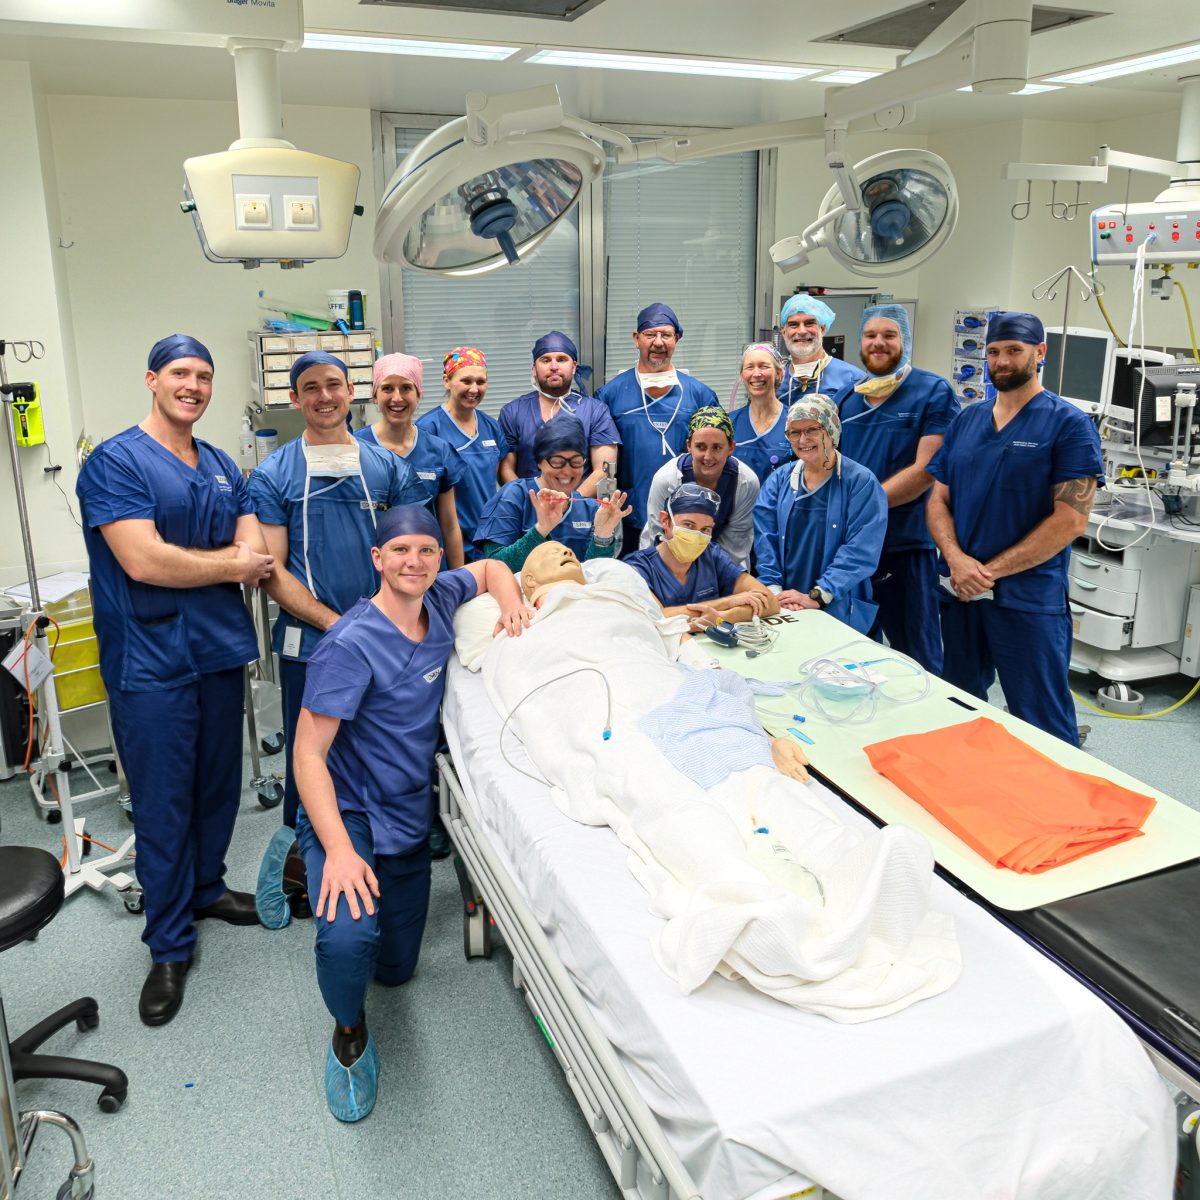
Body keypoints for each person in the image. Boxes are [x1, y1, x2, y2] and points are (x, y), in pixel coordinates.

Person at [475, 541, 959, 1021]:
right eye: (550, 552)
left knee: (753, 777)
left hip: (670, 695)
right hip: (603, 712)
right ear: (529, 582)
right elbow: (518, 680)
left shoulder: (622, 599)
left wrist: (764, 731)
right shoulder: (516, 625)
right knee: (666, 796)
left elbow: (686, 653)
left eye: (571, 551)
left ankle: (850, 862)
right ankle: (748, 901)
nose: (566, 552)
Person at [270, 505, 531, 1121]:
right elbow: (307, 755)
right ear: (377, 560)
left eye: (427, 550)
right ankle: (348, 1032)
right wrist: (337, 849)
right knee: (347, 939)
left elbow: (492, 567)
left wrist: (514, 601)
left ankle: (303, 858)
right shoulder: (350, 646)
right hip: (349, 809)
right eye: (401, 551)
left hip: (407, 811)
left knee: (396, 970)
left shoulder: (439, 598)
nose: (415, 562)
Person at [76, 334, 273, 1026]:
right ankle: (167, 943)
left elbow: (254, 552)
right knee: (163, 802)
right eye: (181, 374)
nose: (194, 386)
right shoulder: (115, 463)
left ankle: (207, 888)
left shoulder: (220, 464)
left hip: (215, 652)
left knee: (218, 784)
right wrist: (225, 565)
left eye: (205, 376)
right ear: (153, 379)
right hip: (150, 661)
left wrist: (218, 559)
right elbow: (144, 562)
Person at [248, 351, 423, 834]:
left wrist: (393, 624)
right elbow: (272, 570)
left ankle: (385, 846)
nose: (324, 397)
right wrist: (336, 624)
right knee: (311, 757)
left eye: (333, 385)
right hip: (311, 642)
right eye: (310, 388)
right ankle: (302, 863)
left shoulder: (385, 468)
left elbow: (412, 554)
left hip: (386, 637)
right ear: (294, 398)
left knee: (384, 748)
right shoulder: (274, 475)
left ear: (351, 392)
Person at [926, 311, 1102, 746]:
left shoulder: (1068, 424)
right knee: (958, 703)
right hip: (960, 593)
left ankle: (1058, 805)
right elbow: (938, 500)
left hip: (1026, 599)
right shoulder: (967, 420)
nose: (1001, 361)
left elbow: (1071, 518)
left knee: (1041, 714)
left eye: (1013, 351)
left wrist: (990, 573)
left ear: (1039, 352)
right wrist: (957, 560)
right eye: (994, 352)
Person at [837, 304, 960, 673]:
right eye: (870, 335)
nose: (878, 343)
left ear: (904, 341)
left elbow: (926, 470)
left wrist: (864, 508)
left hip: (905, 543)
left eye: (889, 335)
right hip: (855, 546)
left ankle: (931, 723)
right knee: (855, 645)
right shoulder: (848, 397)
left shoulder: (932, 391)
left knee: (915, 650)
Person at [753, 396, 887, 632]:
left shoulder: (860, 482)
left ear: (832, 430)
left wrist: (819, 595)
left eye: (812, 430)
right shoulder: (779, 480)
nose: (802, 440)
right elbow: (766, 538)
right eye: (794, 432)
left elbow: (860, 550)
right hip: (786, 604)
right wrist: (775, 593)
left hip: (836, 601)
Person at [595, 303, 718, 551]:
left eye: (666, 335)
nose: (658, 342)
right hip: (630, 516)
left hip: (687, 520)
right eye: (650, 335)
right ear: (636, 338)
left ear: (677, 338)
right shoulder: (610, 395)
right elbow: (601, 466)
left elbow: (716, 458)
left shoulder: (700, 396)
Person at [474, 414, 629, 569]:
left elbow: (594, 572)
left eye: (575, 462)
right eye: (557, 462)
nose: (567, 471)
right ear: (539, 462)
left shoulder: (589, 509)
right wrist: (541, 530)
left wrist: (602, 538)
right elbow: (494, 565)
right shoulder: (514, 496)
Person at [355, 352, 466, 568]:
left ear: (418, 394)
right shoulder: (356, 447)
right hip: (372, 569)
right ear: (375, 395)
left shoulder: (439, 450)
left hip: (423, 569)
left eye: (406, 388)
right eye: (387, 388)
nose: (397, 398)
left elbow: (450, 525)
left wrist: (457, 581)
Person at [625, 482, 779, 628]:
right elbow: (658, 618)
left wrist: (720, 618)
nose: (696, 535)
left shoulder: (712, 557)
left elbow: (770, 602)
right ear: (665, 520)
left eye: (705, 529)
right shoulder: (638, 567)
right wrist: (728, 602)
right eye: (688, 525)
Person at [497, 331, 621, 496]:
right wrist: (527, 503)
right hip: (527, 512)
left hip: (579, 512)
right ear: (534, 369)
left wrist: (569, 504)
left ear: (574, 367)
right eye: (546, 360)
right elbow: (505, 469)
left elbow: (603, 470)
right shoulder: (512, 412)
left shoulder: (595, 411)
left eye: (562, 359)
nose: (554, 366)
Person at [416, 347, 510, 559]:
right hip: (448, 541)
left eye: (480, 382)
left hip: (488, 539)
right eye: (466, 381)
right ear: (446, 381)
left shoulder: (491, 427)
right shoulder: (429, 429)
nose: (474, 389)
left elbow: (491, 482)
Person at [640, 407, 760, 567]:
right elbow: (658, 535)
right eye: (701, 447)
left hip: (724, 561)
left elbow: (736, 544)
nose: (708, 457)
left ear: (731, 447)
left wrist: (706, 579)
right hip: (668, 559)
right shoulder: (666, 480)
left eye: (717, 447)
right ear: (689, 445)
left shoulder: (745, 483)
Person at [776, 293, 867, 405]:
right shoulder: (776, 379)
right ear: (784, 332)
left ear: (822, 329)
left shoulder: (853, 379)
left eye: (809, 323)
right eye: (794, 325)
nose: (802, 331)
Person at [730, 342, 791, 484]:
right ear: (742, 375)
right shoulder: (730, 424)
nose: (756, 374)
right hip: (739, 506)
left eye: (764, 366)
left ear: (779, 373)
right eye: (749, 367)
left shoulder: (793, 423)